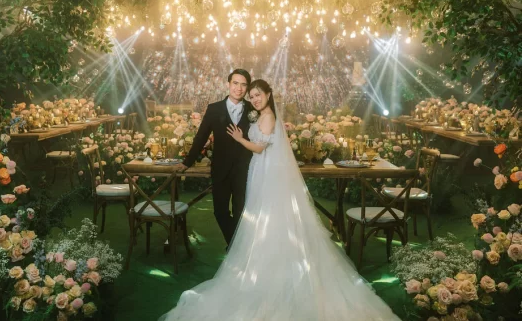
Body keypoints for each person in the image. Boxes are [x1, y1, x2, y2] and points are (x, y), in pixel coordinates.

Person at [162, 79, 400, 321]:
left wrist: (239, 138)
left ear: (268, 94)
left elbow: (259, 148)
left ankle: (273, 271)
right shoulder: (258, 114)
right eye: (251, 95)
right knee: (260, 217)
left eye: (257, 94)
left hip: (266, 171)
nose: (254, 98)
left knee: (269, 217)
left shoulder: (267, 116)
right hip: (259, 171)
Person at [176, 68, 253, 247]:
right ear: (228, 84)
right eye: (235, 83)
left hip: (246, 169)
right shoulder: (214, 109)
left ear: (247, 88)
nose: (239, 88)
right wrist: (187, 162)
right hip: (221, 169)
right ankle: (236, 245)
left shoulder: (252, 109)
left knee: (242, 212)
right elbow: (201, 137)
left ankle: (236, 250)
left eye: (243, 85)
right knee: (220, 211)